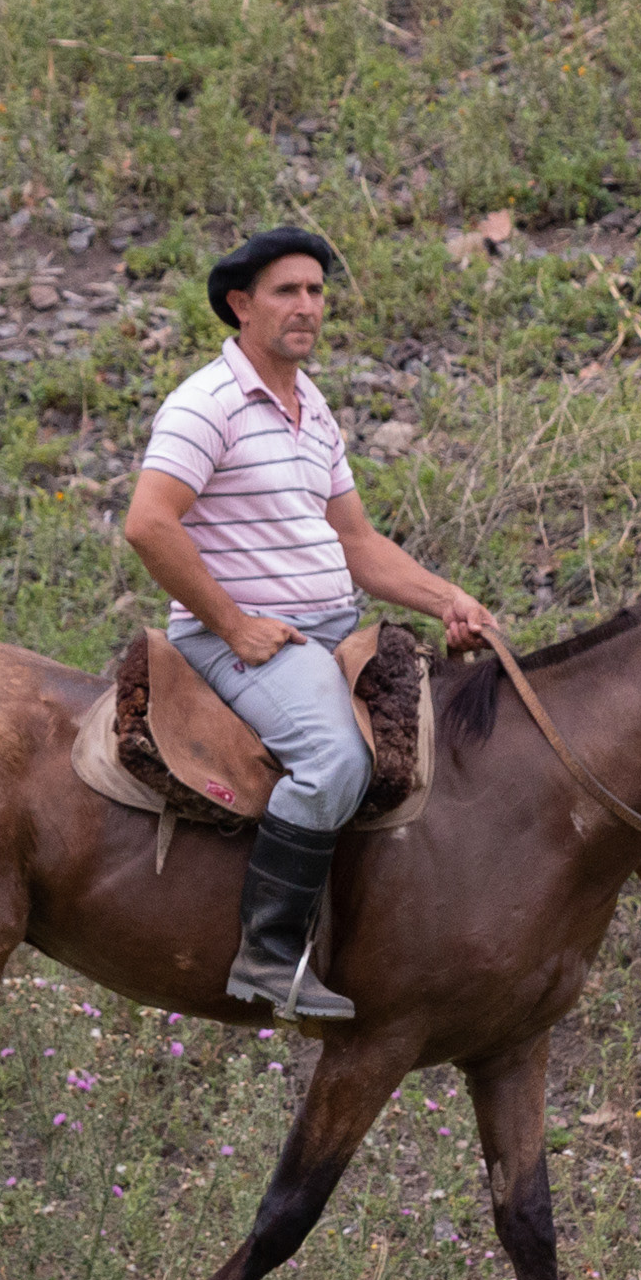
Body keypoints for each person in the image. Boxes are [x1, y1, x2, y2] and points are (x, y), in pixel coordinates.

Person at [123, 225, 493, 1021]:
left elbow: (355, 540)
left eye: (316, 291)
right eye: (287, 291)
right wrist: (233, 625)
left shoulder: (310, 406)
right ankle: (268, 954)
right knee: (333, 760)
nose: (307, 306)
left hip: (329, 631)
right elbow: (149, 523)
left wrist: (446, 598)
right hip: (245, 643)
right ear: (240, 305)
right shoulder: (207, 404)